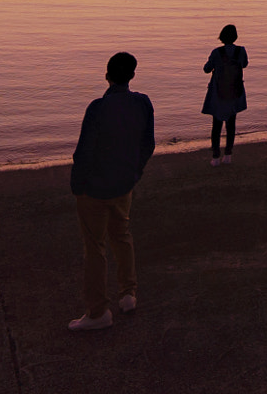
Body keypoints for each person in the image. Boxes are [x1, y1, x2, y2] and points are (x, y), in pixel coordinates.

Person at [67, 51, 155, 331]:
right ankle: (128, 293)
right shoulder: (142, 103)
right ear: (132, 75)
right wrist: (135, 173)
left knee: (95, 249)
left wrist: (77, 186)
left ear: (107, 75)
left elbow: (83, 153)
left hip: (95, 189)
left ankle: (98, 312)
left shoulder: (97, 108)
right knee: (122, 236)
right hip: (123, 185)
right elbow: (147, 144)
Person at [202, 24, 248, 165]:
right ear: (235, 37)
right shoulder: (241, 51)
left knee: (216, 126)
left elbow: (206, 69)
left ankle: (216, 157)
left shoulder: (216, 52)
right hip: (234, 91)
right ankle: (228, 154)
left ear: (221, 37)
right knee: (231, 124)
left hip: (218, 93)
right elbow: (244, 64)